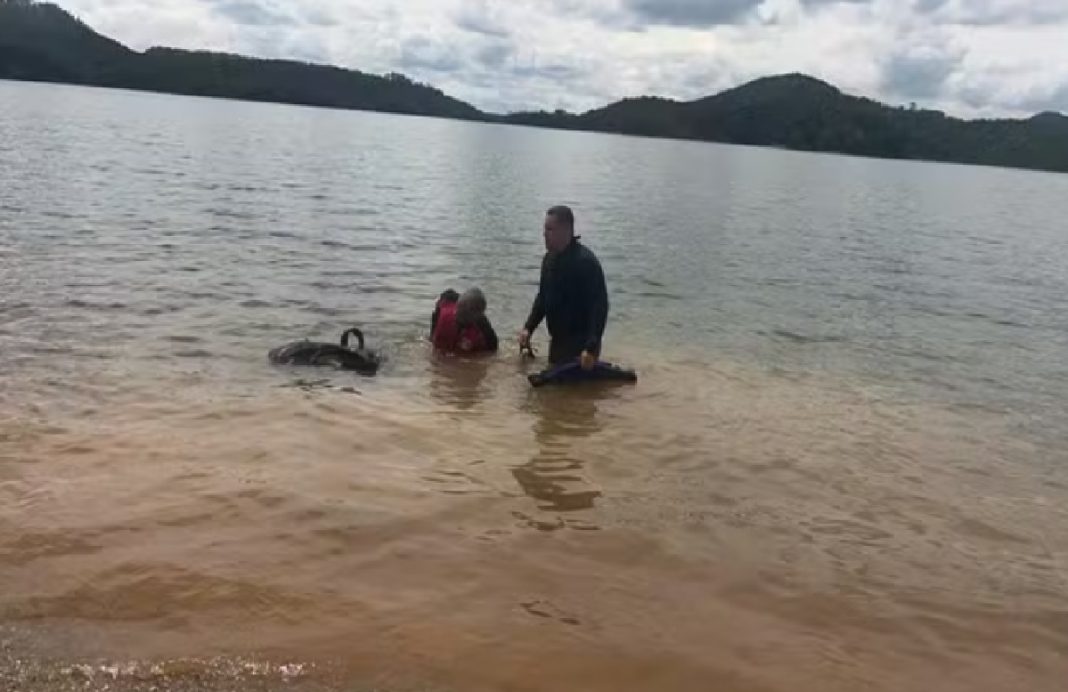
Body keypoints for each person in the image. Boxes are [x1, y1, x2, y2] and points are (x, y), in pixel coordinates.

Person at [518, 205, 608, 369]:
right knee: (556, 390)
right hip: (558, 340)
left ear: (566, 230)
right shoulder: (549, 260)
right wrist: (528, 328)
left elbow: (599, 307)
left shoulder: (585, 262)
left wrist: (591, 347)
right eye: (545, 229)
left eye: (550, 229)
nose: (544, 234)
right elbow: (543, 298)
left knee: (576, 390)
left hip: (582, 342)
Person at [431, 287, 499, 354]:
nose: (457, 315)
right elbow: (447, 295)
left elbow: (492, 351)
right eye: (458, 310)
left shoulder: (485, 332)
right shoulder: (445, 308)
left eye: (463, 314)